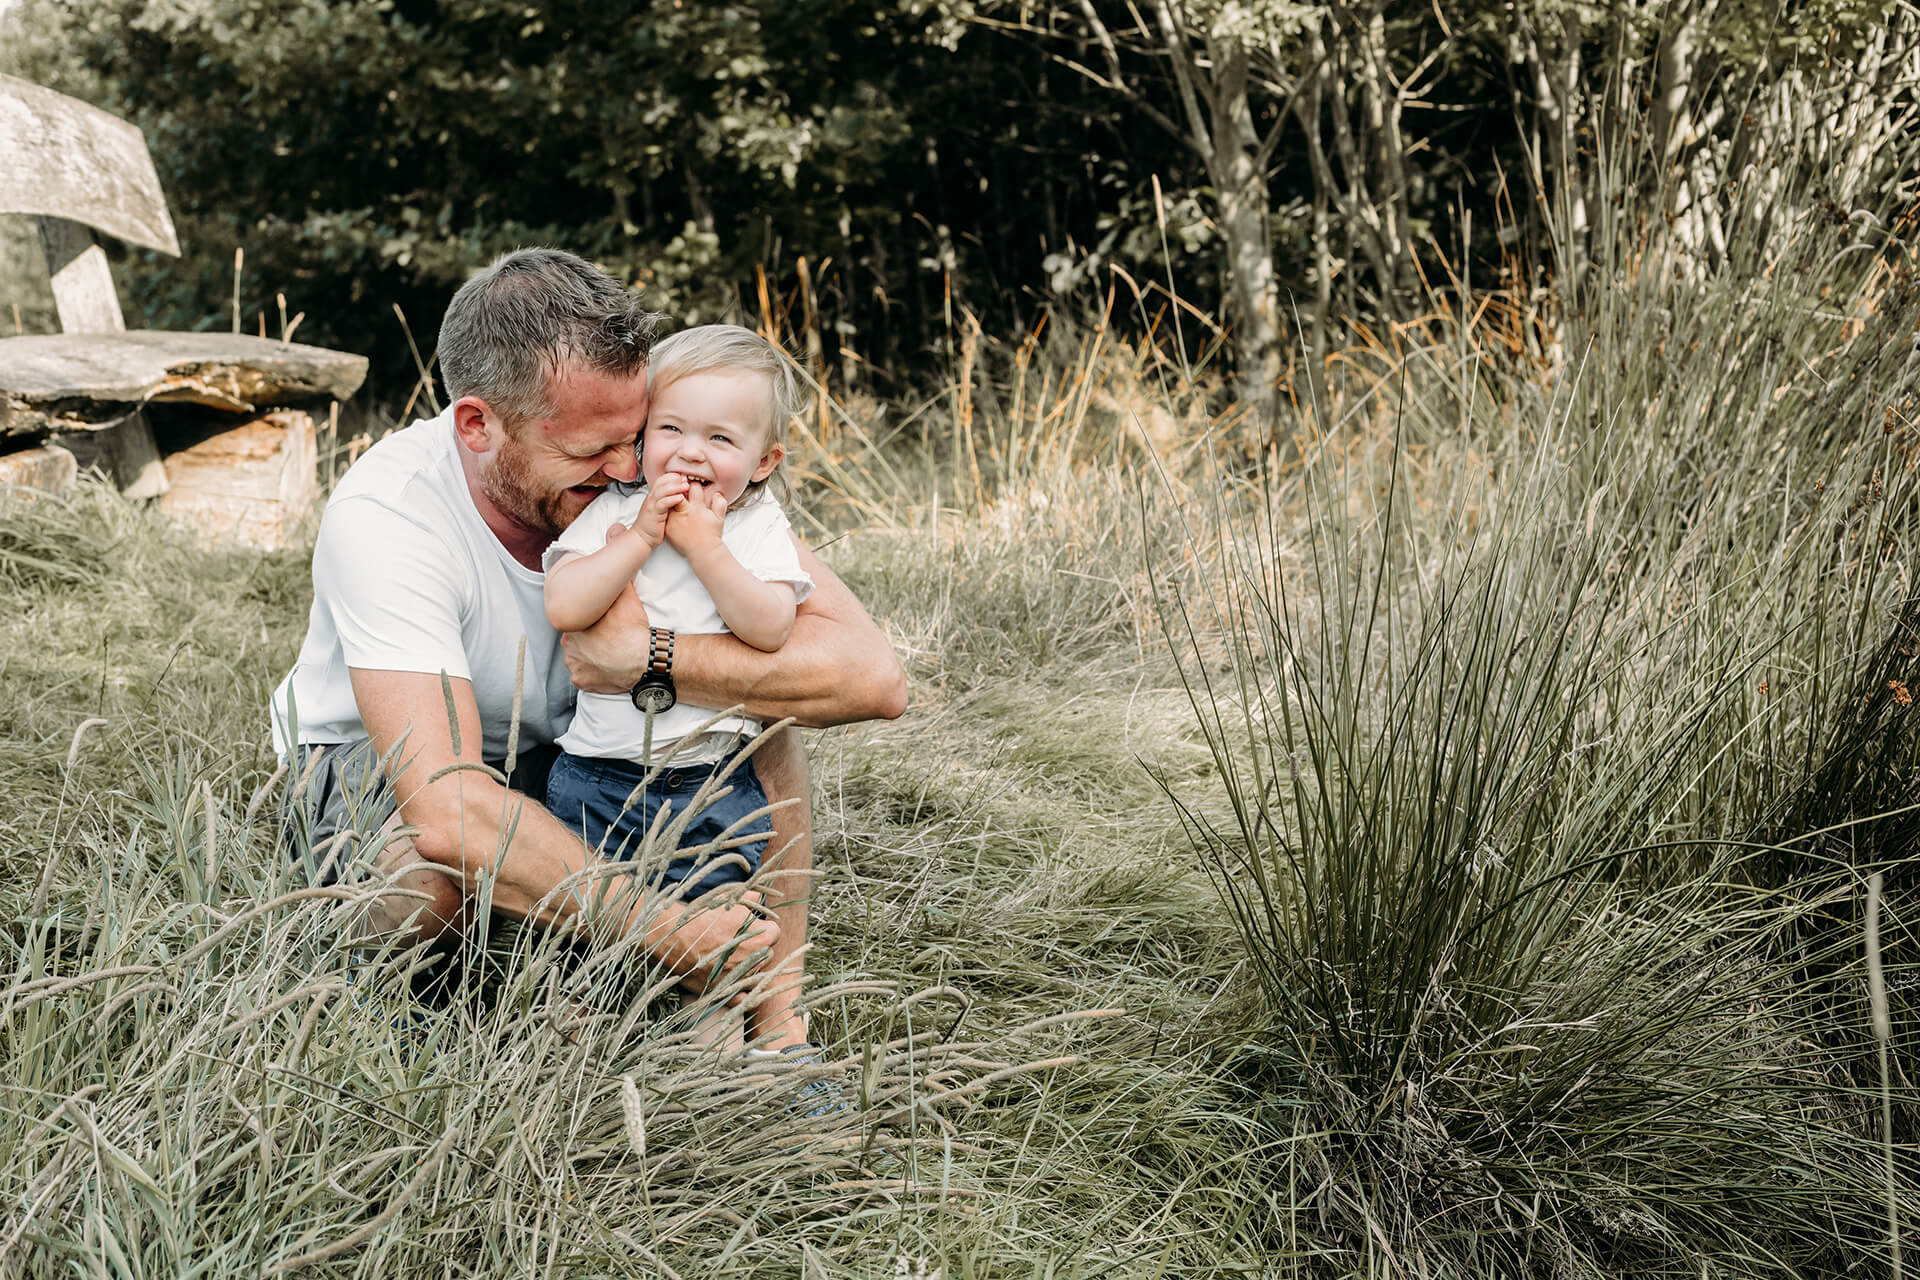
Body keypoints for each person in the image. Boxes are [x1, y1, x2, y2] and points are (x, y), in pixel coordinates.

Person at [272, 248, 906, 1051]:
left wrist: (655, 657)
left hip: (584, 754)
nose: (623, 472)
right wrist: (665, 927)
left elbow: (874, 679)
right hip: (391, 764)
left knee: (768, 717)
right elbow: (449, 806)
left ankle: (779, 1017)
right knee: (427, 884)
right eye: (589, 452)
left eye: (634, 436)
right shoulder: (390, 517)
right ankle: (482, 1009)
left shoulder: (656, 472)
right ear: (477, 425)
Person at [542, 324, 811, 1049]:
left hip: (710, 786)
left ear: (762, 463)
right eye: (671, 429)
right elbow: (565, 605)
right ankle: (582, 1058)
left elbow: (770, 626)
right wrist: (638, 539)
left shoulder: (756, 527)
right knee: (588, 945)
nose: (692, 452)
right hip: (597, 777)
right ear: (641, 440)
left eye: (722, 440)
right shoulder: (617, 509)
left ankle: (708, 1064)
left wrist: (706, 549)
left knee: (714, 950)